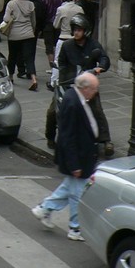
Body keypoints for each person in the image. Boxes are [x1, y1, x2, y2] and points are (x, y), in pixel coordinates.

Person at [31, 72, 101, 241]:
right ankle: (75, 229)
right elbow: (67, 136)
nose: (95, 92)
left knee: (69, 188)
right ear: (85, 88)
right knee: (77, 195)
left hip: (82, 156)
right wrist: (74, 164)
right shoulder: (72, 103)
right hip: (78, 158)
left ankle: (44, 209)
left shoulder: (77, 98)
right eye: (94, 89)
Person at [46, 12, 114, 156]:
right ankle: (50, 136)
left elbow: (103, 57)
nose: (76, 32)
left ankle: (106, 140)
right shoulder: (67, 45)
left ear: (85, 31)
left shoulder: (93, 45)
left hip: (87, 84)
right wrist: (63, 73)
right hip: (69, 82)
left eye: (79, 30)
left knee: (97, 109)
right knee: (53, 110)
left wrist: (100, 67)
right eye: (75, 29)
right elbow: (62, 63)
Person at [1, 0, 38, 90]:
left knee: (12, 56)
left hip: (14, 35)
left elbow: (6, 19)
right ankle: (34, 79)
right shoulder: (30, 4)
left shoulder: (11, 4)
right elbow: (33, 21)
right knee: (29, 58)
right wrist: (32, 31)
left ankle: (11, 76)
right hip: (28, 34)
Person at [49, 0, 78, 87]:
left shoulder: (61, 9)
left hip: (63, 37)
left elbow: (55, 25)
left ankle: (54, 82)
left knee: (58, 61)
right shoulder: (79, 9)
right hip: (75, 38)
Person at [40, 0, 62, 72]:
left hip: (48, 24)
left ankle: (52, 67)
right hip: (57, 23)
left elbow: (43, 11)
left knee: (49, 46)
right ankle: (57, 64)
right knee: (56, 45)